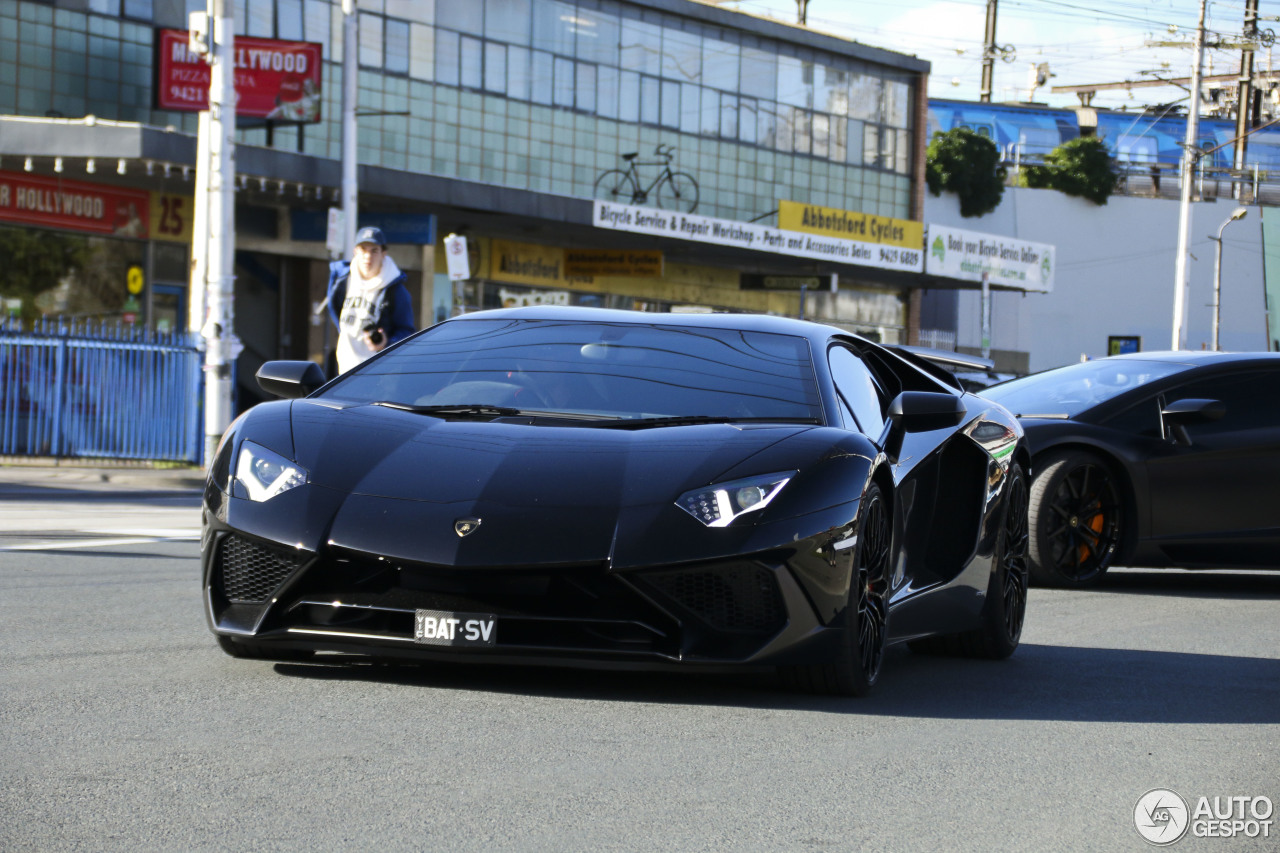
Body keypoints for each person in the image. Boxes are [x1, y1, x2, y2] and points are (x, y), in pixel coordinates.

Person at [326, 226, 415, 374]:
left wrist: (386, 343)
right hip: (343, 370)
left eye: (374, 251)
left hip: (378, 372)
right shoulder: (342, 280)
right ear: (355, 251)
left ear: (383, 254)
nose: (368, 256)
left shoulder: (395, 290)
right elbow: (334, 309)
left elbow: (407, 332)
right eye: (363, 250)